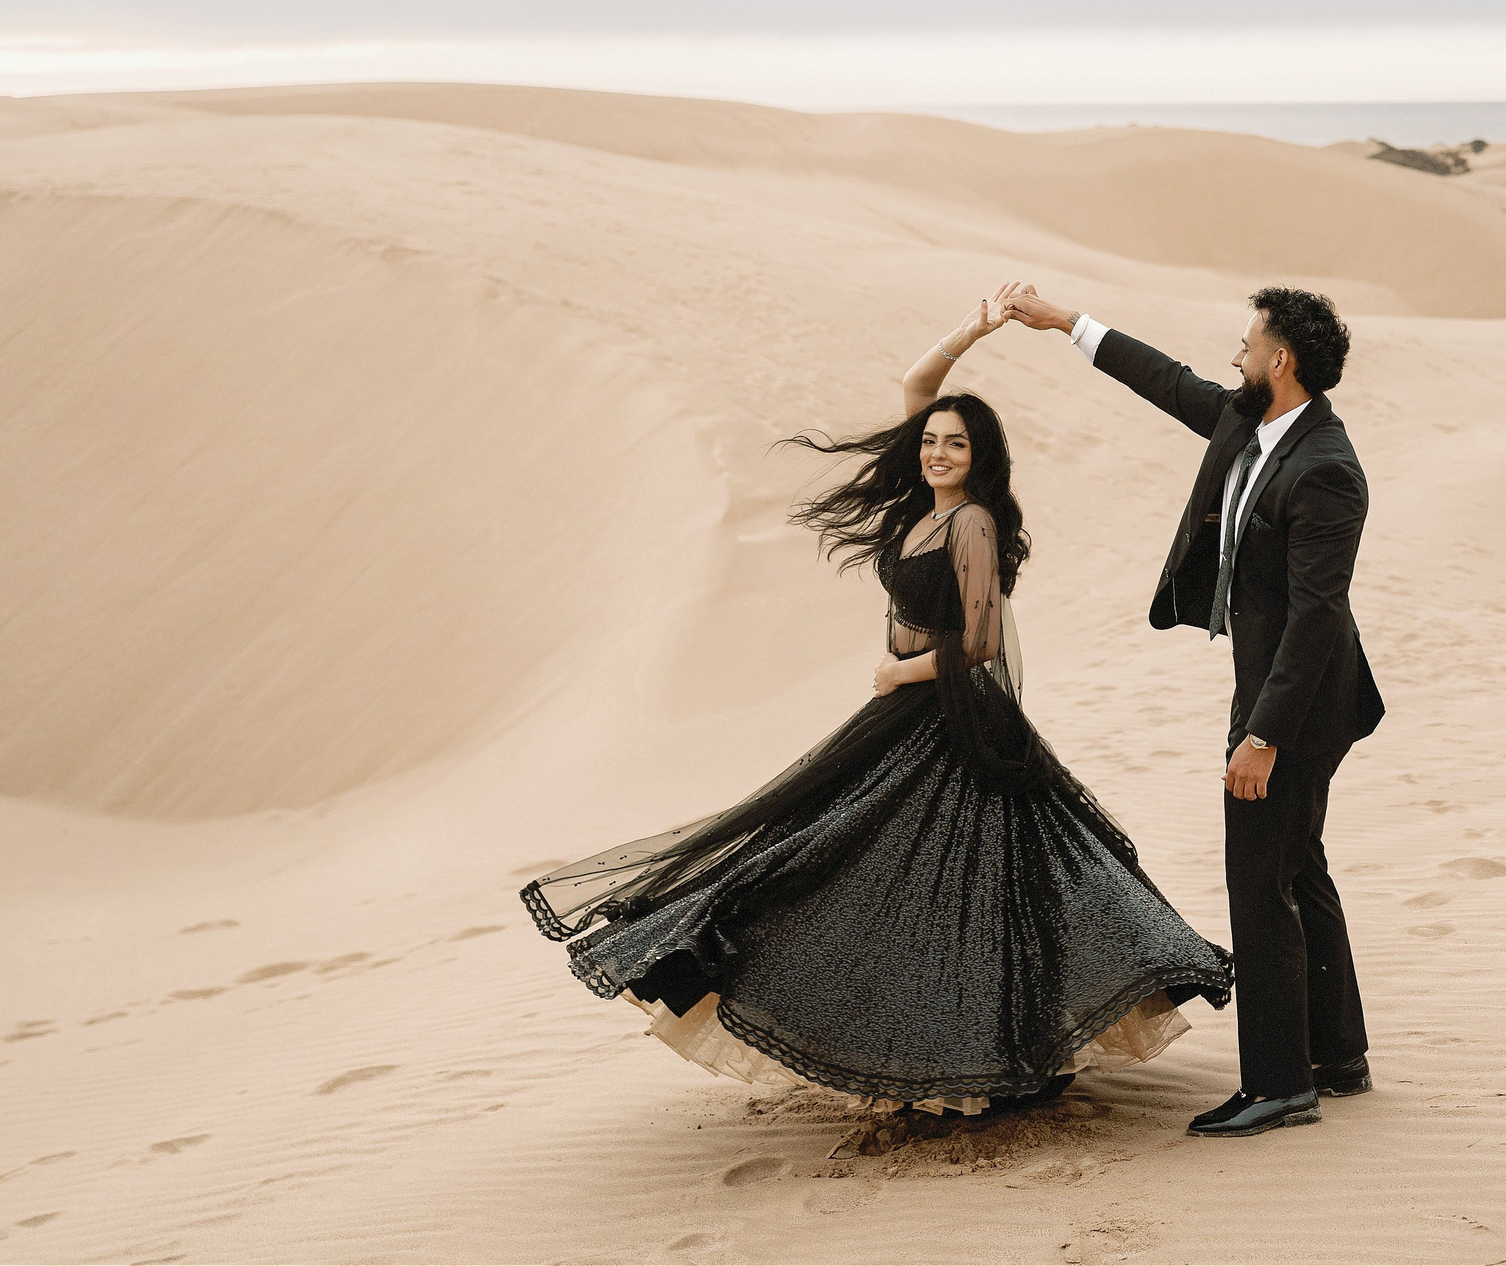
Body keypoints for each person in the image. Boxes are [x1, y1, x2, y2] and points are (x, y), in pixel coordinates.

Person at [519, 298, 1232, 1116]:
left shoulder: (972, 523)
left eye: (954, 443)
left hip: (951, 721)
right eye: (931, 440)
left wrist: (903, 672)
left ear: (979, 457)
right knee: (853, 861)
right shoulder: (928, 508)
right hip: (911, 717)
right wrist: (974, 331)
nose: (935, 451)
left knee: (960, 889)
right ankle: (943, 1049)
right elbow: (917, 384)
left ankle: (983, 1057)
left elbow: (981, 643)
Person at [997, 282, 1384, 1139]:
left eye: (1247, 344)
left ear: (1280, 360)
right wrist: (1067, 323)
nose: (1234, 356)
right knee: (1297, 861)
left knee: (1259, 878)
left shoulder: (1326, 468)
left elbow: (1317, 616)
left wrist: (1264, 736)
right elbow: (1167, 381)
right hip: (1278, 689)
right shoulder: (1252, 421)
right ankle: (1337, 1054)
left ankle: (1279, 1084)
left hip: (1300, 704)